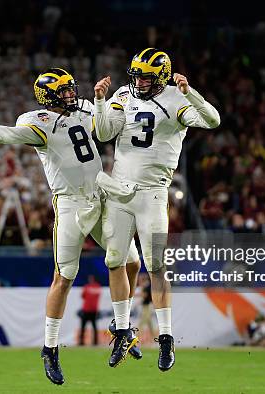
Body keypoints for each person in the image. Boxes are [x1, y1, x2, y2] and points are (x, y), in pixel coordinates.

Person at [0, 67, 142, 385]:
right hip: (71, 203)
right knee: (64, 277)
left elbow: (107, 126)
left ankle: (121, 325)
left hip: (100, 194)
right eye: (64, 91)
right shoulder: (38, 123)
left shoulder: (86, 107)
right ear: (48, 96)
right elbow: (10, 135)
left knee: (131, 261)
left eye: (72, 88)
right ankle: (50, 348)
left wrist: (110, 100)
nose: (72, 94)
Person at [93, 48, 220, 370]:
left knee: (157, 265)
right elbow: (104, 133)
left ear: (162, 76)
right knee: (114, 260)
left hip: (152, 194)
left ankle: (166, 338)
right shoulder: (123, 93)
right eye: (136, 75)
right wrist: (99, 102)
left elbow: (212, 119)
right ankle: (122, 329)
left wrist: (190, 93)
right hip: (119, 190)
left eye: (146, 77)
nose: (139, 82)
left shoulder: (177, 99)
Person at [78, 275, 101, 346]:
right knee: (92, 327)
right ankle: (94, 342)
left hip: (89, 310)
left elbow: (83, 296)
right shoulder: (98, 287)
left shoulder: (87, 287)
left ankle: (83, 342)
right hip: (91, 310)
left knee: (84, 327)